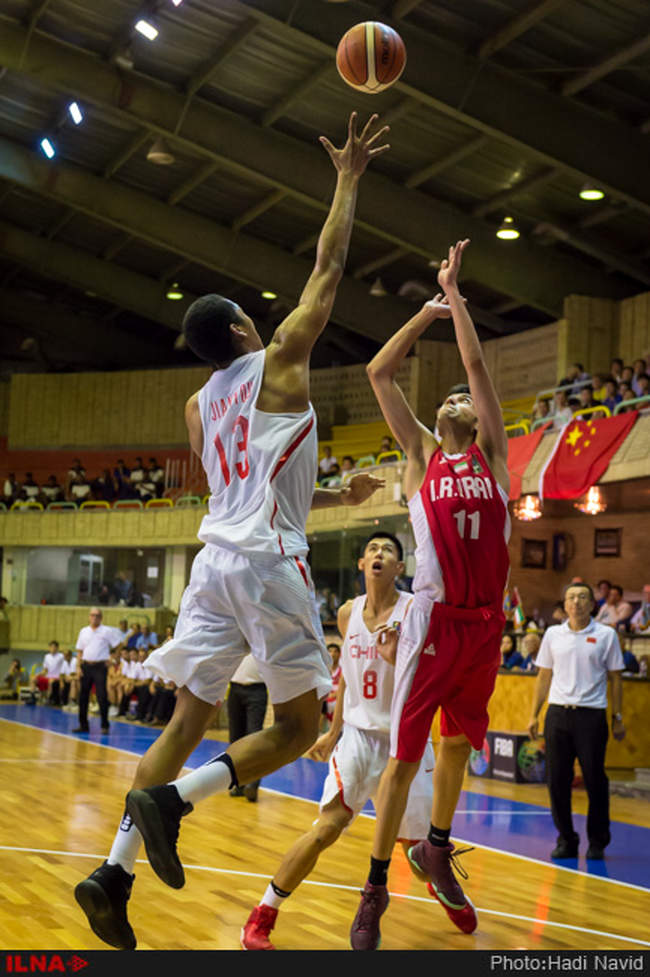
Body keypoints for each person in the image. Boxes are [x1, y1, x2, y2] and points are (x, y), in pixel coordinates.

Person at [73, 111, 390, 951]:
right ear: (246, 331)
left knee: (184, 720)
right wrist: (349, 177)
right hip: (267, 567)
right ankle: (177, 803)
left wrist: (330, 495)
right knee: (292, 728)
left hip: (214, 563)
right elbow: (327, 265)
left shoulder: (197, 404)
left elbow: (245, 494)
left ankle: (113, 872)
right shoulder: (282, 356)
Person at [350, 239, 510, 949]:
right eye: (446, 398)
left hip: (486, 625)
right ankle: (375, 884)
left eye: (460, 400)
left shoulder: (493, 455)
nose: (455, 398)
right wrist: (426, 312)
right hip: (436, 620)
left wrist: (460, 298)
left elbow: (476, 366)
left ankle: (437, 844)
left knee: (456, 749)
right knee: (405, 756)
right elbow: (379, 371)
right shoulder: (419, 456)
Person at [241, 532, 434, 950]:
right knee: (325, 829)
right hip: (360, 740)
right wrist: (334, 731)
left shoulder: (415, 611)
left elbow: (431, 678)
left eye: (389, 551)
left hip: (406, 741)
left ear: (400, 568)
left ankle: (447, 891)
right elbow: (346, 673)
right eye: (372, 550)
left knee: (418, 857)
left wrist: (397, 658)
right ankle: (261, 917)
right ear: (363, 565)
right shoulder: (347, 613)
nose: (379, 554)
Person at [526, 582, 625, 860]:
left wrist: (617, 717)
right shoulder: (553, 634)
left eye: (583, 597)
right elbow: (544, 676)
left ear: (592, 604)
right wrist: (534, 714)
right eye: (571, 597)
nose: (576, 602)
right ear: (565, 604)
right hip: (557, 714)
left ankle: (597, 841)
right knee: (557, 780)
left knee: (595, 779)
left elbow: (616, 679)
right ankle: (566, 839)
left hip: (591, 715)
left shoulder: (606, 635)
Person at [73, 607, 123, 734]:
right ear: (89, 616)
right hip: (85, 666)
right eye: (92, 615)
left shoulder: (106, 631)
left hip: (100, 666)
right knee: (83, 696)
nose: (94, 617)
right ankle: (83, 725)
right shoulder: (84, 631)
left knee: (101, 695)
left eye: (97, 615)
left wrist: (112, 660)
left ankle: (104, 725)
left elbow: (119, 646)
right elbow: (79, 651)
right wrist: (78, 667)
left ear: (101, 617)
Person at [226, 653, 268, 803]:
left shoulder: (263, 636)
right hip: (234, 689)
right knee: (235, 740)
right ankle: (239, 783)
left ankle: (253, 784)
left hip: (257, 689)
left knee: (254, 738)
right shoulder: (236, 635)